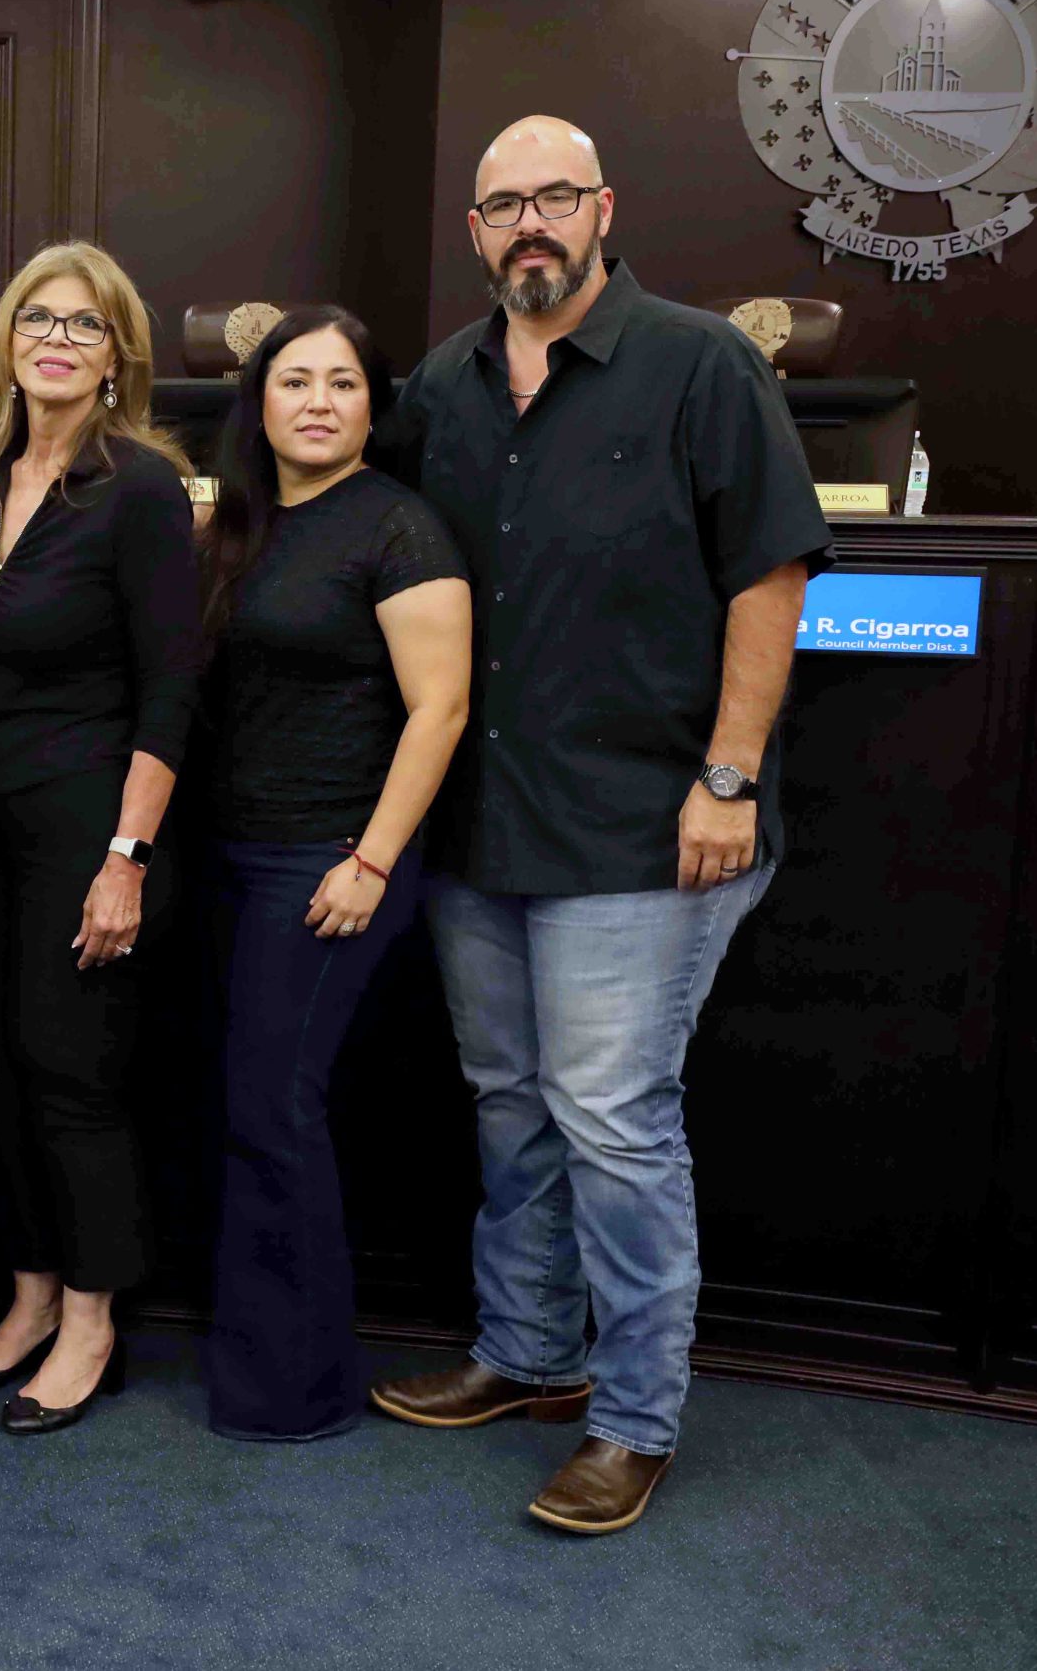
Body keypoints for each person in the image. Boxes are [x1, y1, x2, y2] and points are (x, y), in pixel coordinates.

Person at [368, 117, 830, 1534]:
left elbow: (772, 573)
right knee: (511, 1106)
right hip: (483, 826)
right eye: (504, 203)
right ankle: (527, 1354)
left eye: (554, 197)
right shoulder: (441, 385)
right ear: (474, 229)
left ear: (602, 209)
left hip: (646, 827)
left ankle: (633, 1418)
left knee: (615, 1126)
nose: (531, 223)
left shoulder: (700, 362)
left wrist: (730, 775)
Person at [0, 242, 204, 1436]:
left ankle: (93, 1320)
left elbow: (171, 690)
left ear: (116, 358)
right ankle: (31, 1293)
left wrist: (125, 861)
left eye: (83, 325)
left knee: (70, 1074)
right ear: (6, 343)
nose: (55, 339)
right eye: (37, 318)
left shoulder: (138, 488)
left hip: (89, 826)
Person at [197, 306, 470, 1442]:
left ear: (373, 407)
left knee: (275, 1109)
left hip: (328, 863)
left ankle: (295, 1392)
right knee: (248, 1105)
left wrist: (370, 859)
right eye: (295, 380)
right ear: (257, 400)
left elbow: (439, 709)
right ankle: (258, 1363)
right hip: (228, 853)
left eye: (343, 383)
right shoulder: (239, 523)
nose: (317, 402)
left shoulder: (398, 526)